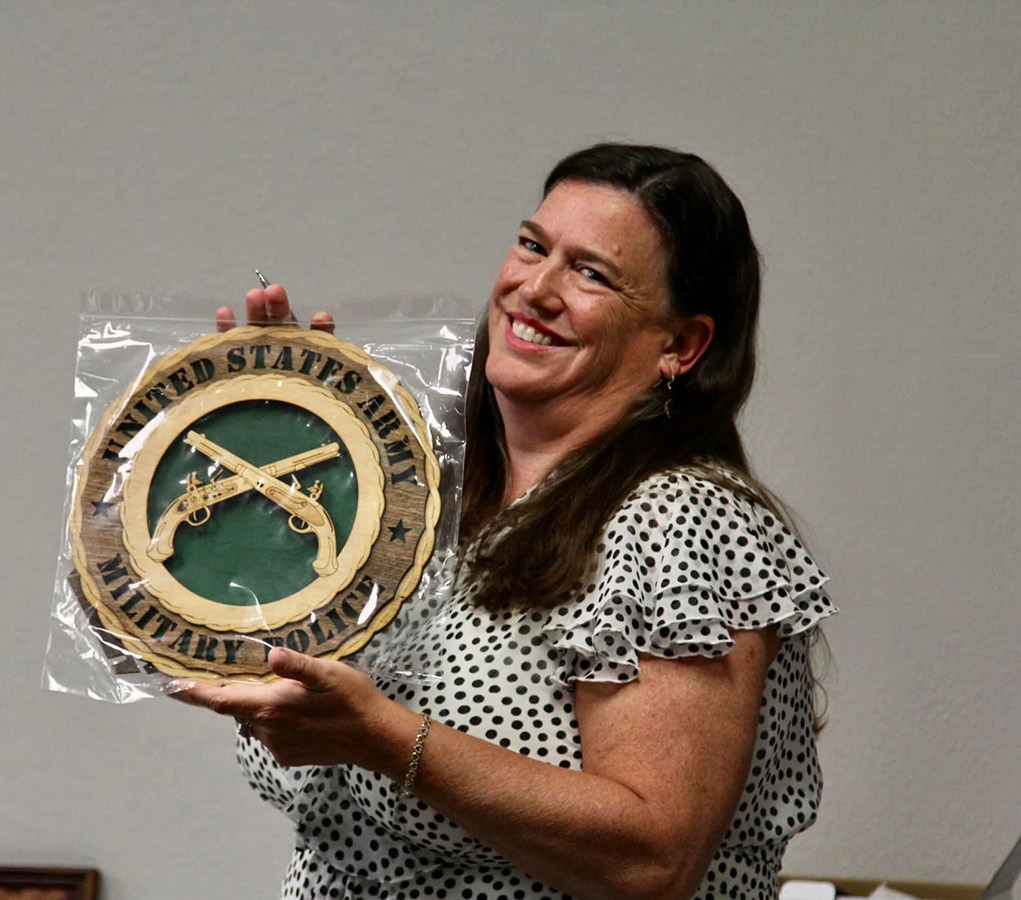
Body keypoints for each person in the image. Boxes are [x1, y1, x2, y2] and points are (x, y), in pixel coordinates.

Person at [182, 143, 836, 899]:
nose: (535, 289)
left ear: (681, 345)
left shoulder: (687, 521)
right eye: (532, 246)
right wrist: (297, 437)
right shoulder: (419, 492)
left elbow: (652, 862)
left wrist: (382, 739)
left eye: (591, 274)